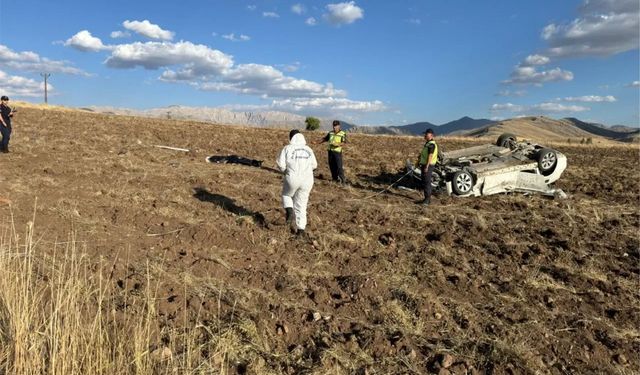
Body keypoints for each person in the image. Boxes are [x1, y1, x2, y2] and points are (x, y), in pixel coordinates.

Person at [277, 129, 318, 239]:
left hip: (292, 178)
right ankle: (300, 230)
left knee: (286, 195)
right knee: (301, 205)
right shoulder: (309, 149)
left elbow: (280, 164)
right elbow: (315, 165)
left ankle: (289, 211)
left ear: (290, 138)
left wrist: (285, 171)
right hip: (308, 180)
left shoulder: (287, 148)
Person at [416, 128, 438, 205]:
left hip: (428, 165)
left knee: (427, 182)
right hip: (424, 164)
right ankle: (426, 199)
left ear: (431, 135)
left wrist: (427, 166)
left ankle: (427, 200)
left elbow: (430, 156)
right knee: (425, 182)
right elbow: (424, 155)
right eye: (425, 134)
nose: (425, 135)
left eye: (426, 134)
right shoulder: (428, 143)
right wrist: (419, 161)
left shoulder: (432, 144)